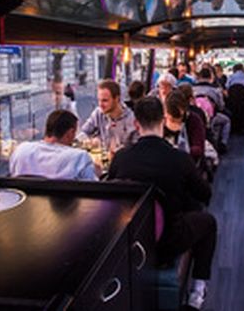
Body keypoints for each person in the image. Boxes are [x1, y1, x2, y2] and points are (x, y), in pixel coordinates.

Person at [108, 97, 216, 309]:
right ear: (163, 121)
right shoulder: (180, 159)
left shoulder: (120, 158)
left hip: (131, 242)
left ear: (136, 124)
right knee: (208, 222)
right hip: (166, 243)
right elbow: (205, 194)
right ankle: (197, 291)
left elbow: (113, 194)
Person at [10, 110, 96, 180]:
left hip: (26, 201)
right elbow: (93, 192)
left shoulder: (21, 150)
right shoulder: (79, 158)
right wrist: (96, 172)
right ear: (70, 133)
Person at [80, 79, 137, 152]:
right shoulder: (98, 113)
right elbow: (83, 133)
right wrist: (89, 141)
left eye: (105, 100)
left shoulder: (131, 119)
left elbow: (137, 148)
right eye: (99, 100)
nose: (100, 104)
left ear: (116, 99)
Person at [193, 68, 232, 152]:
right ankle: (223, 143)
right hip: (211, 117)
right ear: (211, 77)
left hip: (195, 115)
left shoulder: (192, 88)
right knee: (227, 121)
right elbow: (221, 106)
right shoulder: (216, 90)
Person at [164, 90, 206, 163]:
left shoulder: (194, 120)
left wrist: (185, 150)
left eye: (179, 117)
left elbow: (199, 147)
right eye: (172, 120)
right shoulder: (161, 121)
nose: (177, 122)